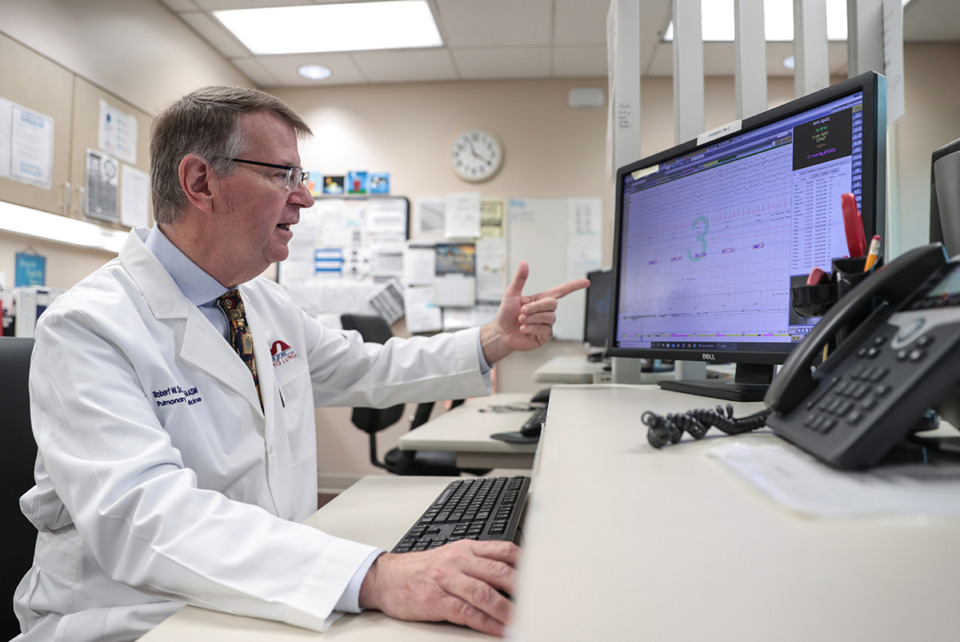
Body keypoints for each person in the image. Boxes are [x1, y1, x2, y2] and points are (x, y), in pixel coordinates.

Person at [13, 86, 589, 641]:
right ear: (200, 182)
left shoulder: (259, 303)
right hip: (132, 618)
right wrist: (375, 575)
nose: (305, 197)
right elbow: (146, 520)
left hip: (259, 593)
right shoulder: (87, 327)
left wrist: (492, 339)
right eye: (282, 174)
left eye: (301, 176)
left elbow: (370, 368)